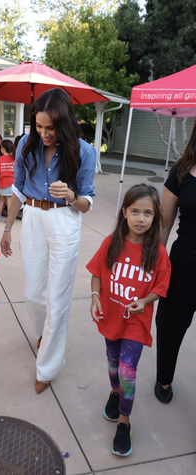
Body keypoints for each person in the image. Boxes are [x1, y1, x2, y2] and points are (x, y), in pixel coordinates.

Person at [0, 88, 96, 394]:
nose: (43, 133)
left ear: (64, 123)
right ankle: (43, 333)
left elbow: (87, 202)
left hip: (65, 220)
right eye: (39, 127)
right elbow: (17, 188)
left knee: (57, 297)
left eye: (50, 128)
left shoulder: (84, 151)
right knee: (32, 293)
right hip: (32, 217)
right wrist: (6, 229)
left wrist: (71, 195)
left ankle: (48, 366)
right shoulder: (26, 148)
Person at [87, 184, 171, 457]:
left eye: (147, 213)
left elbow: (160, 288)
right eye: (135, 211)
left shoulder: (157, 251)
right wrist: (94, 296)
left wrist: (145, 302)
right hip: (111, 316)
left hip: (136, 322)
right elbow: (96, 273)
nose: (140, 218)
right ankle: (114, 393)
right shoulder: (111, 243)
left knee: (127, 371)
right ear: (124, 212)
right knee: (112, 364)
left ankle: (124, 421)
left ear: (155, 217)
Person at [154, 119, 196, 404]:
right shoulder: (181, 170)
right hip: (184, 261)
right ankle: (164, 378)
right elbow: (165, 225)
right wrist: (152, 265)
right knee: (170, 324)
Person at [0, 139, 15, 222]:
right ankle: (8, 218)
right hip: (11, 182)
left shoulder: (0, 159)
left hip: (2, 182)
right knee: (9, 200)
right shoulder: (13, 157)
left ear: (3, 149)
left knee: (2, 199)